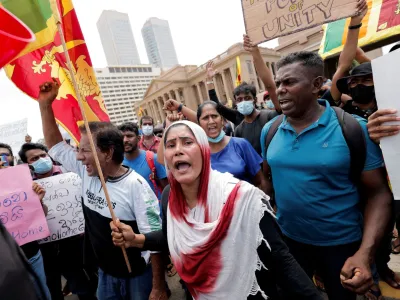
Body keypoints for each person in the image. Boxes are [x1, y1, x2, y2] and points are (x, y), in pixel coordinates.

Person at [109, 120, 324, 300]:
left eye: (187, 142)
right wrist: (136, 239)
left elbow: (281, 260)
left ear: (203, 150)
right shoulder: (169, 198)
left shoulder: (242, 199)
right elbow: (172, 236)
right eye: (171, 145)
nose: (178, 150)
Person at [260, 51, 392, 300]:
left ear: (317, 85)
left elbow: (378, 194)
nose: (280, 90)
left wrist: (365, 253)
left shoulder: (352, 129)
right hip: (289, 244)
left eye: (289, 82)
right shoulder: (270, 130)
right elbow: (268, 180)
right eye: (278, 84)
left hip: (342, 247)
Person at [37, 80, 167, 300]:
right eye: (78, 149)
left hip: (136, 275)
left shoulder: (136, 187)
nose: (78, 156)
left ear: (107, 153)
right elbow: (56, 147)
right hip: (105, 274)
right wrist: (45, 105)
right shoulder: (86, 171)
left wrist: (158, 286)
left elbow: (155, 242)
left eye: (85, 150)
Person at [18, 142, 97, 300]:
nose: (41, 159)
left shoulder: (69, 173)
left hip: (74, 242)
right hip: (44, 247)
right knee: (51, 287)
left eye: (43, 155)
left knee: (84, 286)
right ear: (27, 164)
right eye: (35, 158)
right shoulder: (23, 185)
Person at [163, 99, 268, 191]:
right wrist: (168, 127)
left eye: (214, 116)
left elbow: (261, 181)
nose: (211, 121)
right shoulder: (196, 151)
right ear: (199, 124)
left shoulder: (241, 145)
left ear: (222, 120)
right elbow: (162, 159)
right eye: (205, 118)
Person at [0, 142, 51, 300]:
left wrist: (38, 201)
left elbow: (41, 215)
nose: (2, 159)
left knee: (42, 294)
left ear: (11, 157)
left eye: (4, 154)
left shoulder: (24, 182)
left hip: (32, 254)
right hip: (6, 262)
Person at [118, 122, 168, 200]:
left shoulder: (153, 159)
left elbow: (167, 189)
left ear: (138, 139)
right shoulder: (117, 163)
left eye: (129, 136)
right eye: (121, 137)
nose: (125, 140)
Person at [233, 82, 279, 155]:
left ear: (255, 99)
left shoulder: (270, 116)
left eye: (247, 98)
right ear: (236, 103)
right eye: (239, 99)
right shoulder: (239, 130)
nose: (243, 102)